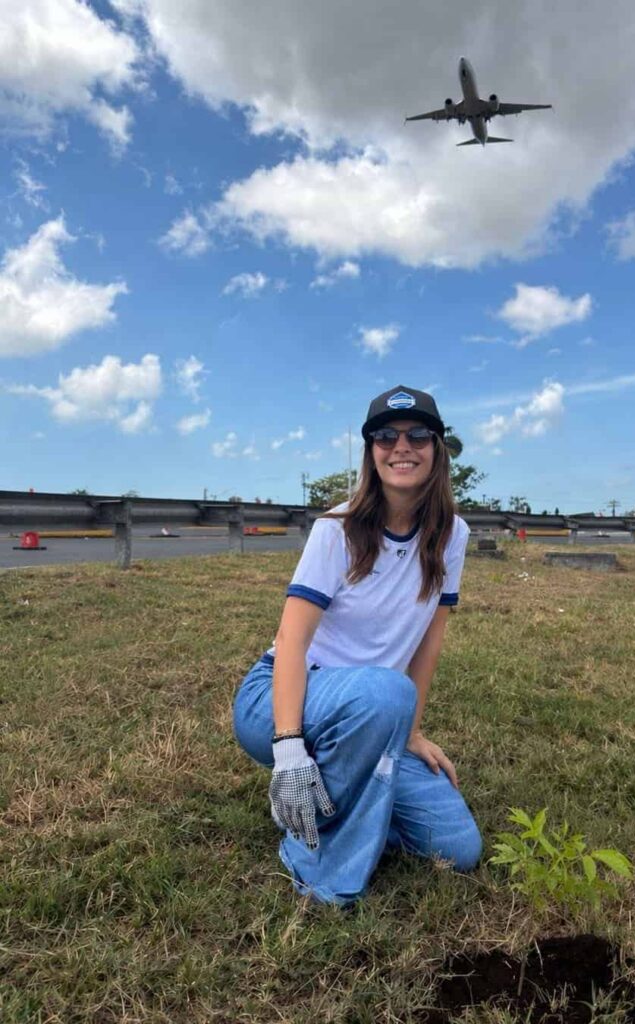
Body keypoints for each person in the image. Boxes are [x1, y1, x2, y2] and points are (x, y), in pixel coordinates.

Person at [233, 385, 482, 906]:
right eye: (385, 436)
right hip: (282, 700)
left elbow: (429, 641)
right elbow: (291, 642)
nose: (401, 447)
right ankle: (320, 869)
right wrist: (289, 746)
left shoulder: (451, 535)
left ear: (437, 449)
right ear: (371, 452)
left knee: (458, 847)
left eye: (418, 435)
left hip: (378, 709)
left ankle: (344, 793)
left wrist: (409, 732)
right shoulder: (337, 529)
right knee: (386, 693)